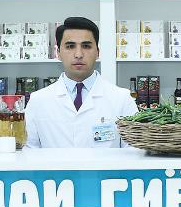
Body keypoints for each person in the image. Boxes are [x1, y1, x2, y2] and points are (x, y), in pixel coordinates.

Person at [23, 16, 138, 148]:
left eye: (86, 46)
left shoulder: (122, 99)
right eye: (70, 46)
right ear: (58, 53)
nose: (78, 54)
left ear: (97, 52)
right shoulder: (38, 100)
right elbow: (29, 152)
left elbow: (133, 152)